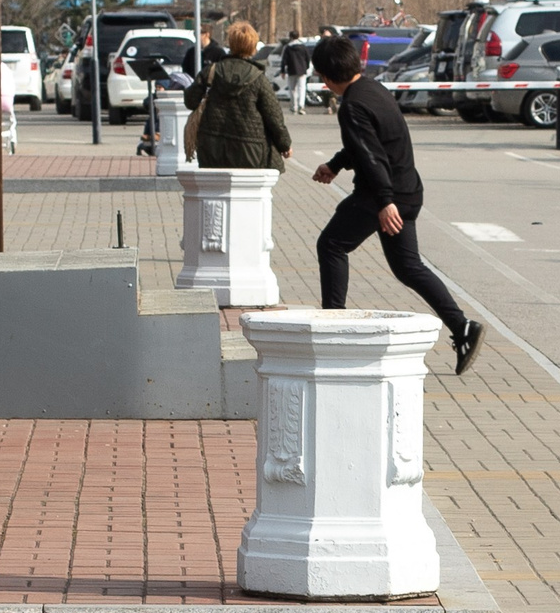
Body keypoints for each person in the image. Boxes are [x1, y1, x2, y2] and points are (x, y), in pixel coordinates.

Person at [309, 33, 483, 375]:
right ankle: (462, 328)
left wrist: (385, 203)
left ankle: (332, 326)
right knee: (407, 267)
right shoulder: (373, 89)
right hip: (405, 188)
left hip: (382, 193)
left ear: (327, 77)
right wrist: (336, 165)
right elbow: (367, 146)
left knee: (331, 244)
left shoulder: (352, 105)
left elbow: (372, 156)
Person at [185, 19, 292, 170]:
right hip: (251, 151)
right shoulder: (258, 78)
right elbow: (274, 117)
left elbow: (190, 101)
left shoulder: (211, 72)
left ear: (231, 44)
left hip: (212, 148)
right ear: (253, 46)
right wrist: (285, 145)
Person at [282, 31, 313, 113]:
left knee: (292, 89)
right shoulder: (303, 47)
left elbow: (284, 60)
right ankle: (301, 106)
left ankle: (293, 106)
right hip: (302, 70)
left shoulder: (288, 47)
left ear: (290, 37)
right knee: (302, 88)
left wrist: (282, 71)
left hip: (291, 70)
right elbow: (307, 58)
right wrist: (306, 67)